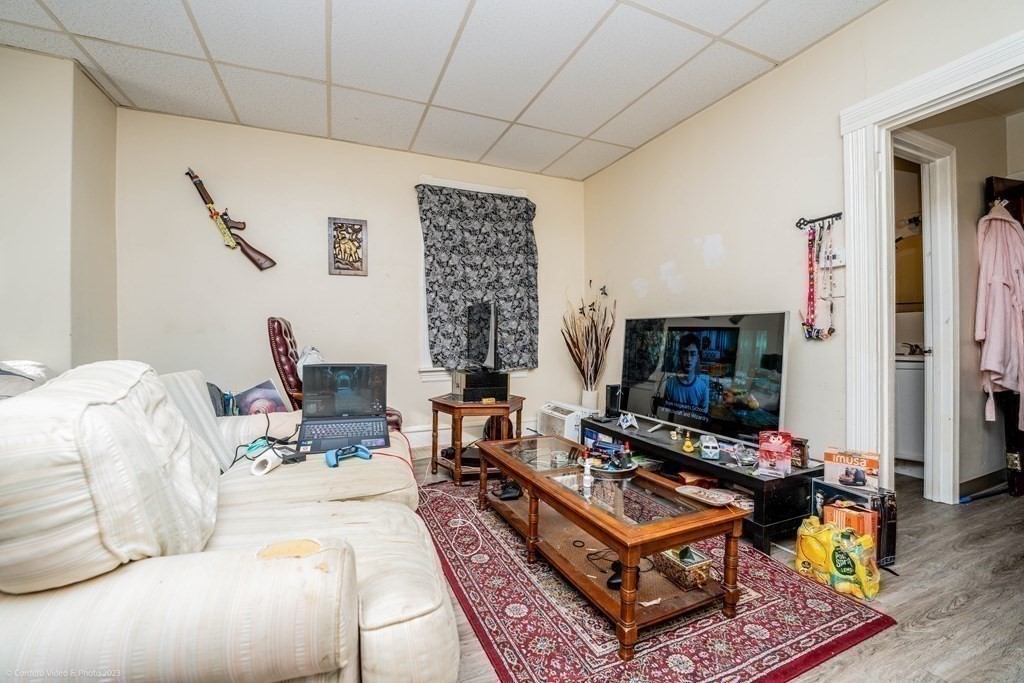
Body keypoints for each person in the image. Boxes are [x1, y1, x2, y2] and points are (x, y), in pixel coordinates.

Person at [663, 333, 710, 413]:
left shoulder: (703, 389)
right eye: (685, 353)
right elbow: (666, 413)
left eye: (692, 354)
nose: (688, 359)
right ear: (679, 356)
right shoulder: (669, 384)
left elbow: (702, 420)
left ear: (697, 357)